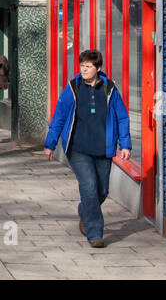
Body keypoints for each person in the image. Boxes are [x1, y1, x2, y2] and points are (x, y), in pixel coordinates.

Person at [43, 49, 132, 248]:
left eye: (88, 66)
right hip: (78, 148)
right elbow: (59, 116)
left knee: (102, 191)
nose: (84, 69)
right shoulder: (73, 88)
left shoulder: (110, 89)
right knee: (89, 186)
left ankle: (85, 211)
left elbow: (122, 117)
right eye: (82, 66)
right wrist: (50, 144)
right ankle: (95, 233)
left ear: (98, 68)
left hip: (103, 148)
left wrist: (125, 144)